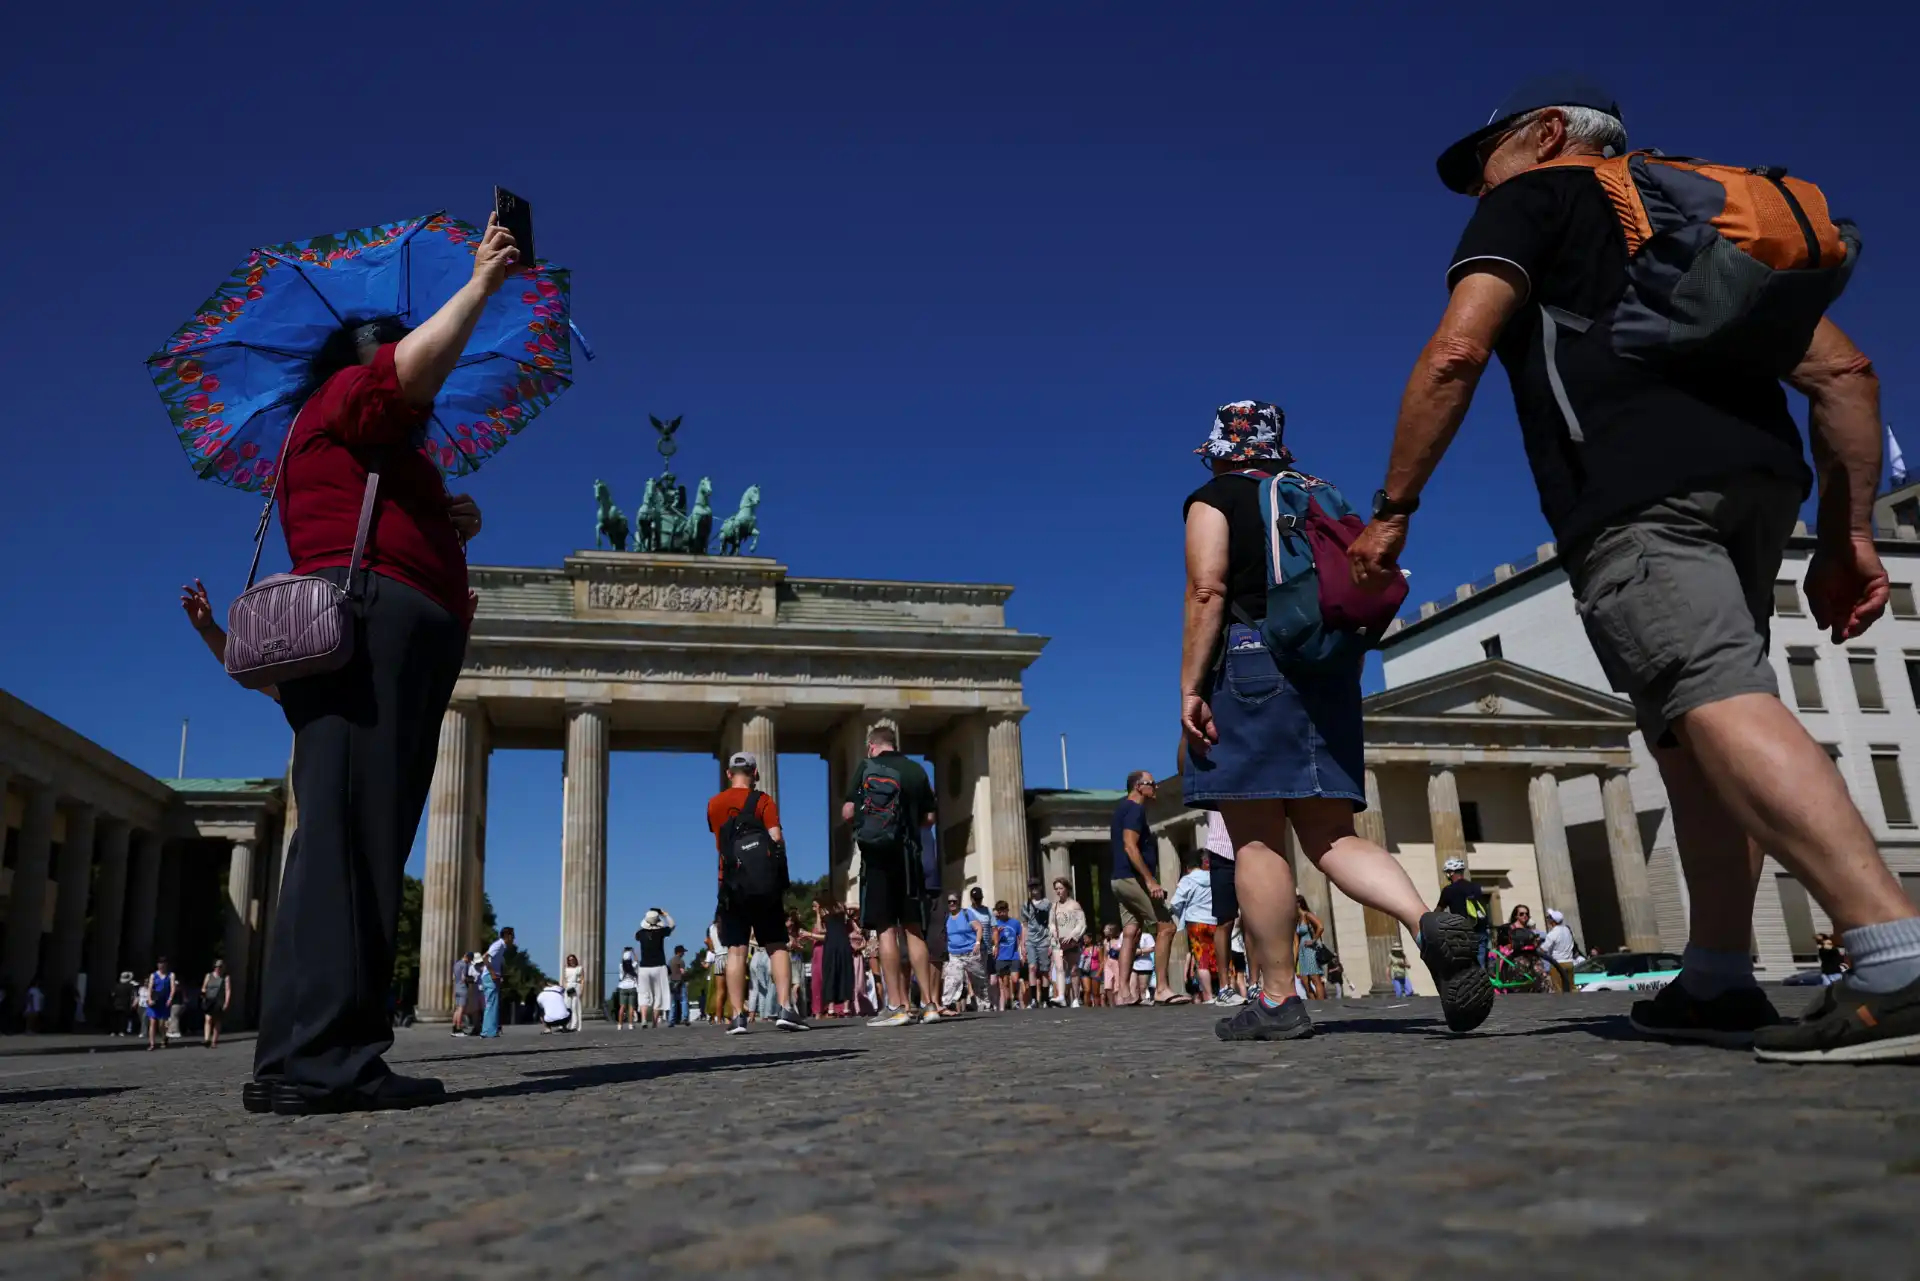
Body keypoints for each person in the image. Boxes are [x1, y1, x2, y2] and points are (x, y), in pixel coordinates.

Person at [1348, 76, 1920, 1062]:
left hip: (1633, 490)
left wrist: (1394, 509)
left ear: (1547, 134)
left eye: (1484, 159)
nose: (1478, 185)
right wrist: (1846, 534)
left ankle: (1894, 955)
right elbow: (1844, 374)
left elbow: (1457, 352)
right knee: (1689, 733)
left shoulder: (1535, 200)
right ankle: (1718, 975)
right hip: (1760, 485)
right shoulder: (1692, 214)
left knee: (1710, 696)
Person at [246, 213, 517, 1115]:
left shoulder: (366, 442)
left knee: (348, 834)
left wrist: (448, 517)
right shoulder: (351, 394)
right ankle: (326, 1057)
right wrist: (479, 286)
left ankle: (301, 1051)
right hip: (367, 629)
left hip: (377, 632)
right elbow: (399, 377)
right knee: (352, 839)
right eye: (396, 356)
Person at [1181, 400, 1492, 1041]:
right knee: (1330, 835)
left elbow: (1207, 589)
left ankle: (1277, 1000)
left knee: (1257, 837)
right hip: (1329, 670)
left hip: (1254, 665)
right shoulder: (1316, 492)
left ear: (1221, 451)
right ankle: (1426, 922)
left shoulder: (1216, 498)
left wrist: (1191, 686)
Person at [841, 725, 941, 1027]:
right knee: (914, 929)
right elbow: (930, 818)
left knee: (885, 929)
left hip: (877, 859)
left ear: (872, 746)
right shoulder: (916, 770)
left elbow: (848, 812)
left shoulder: (866, 767)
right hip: (910, 858)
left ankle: (898, 1006)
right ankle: (930, 1004)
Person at [706, 752, 807, 1034]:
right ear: (755, 773)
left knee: (737, 950)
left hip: (731, 884)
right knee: (776, 945)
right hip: (764, 885)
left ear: (728, 774)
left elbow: (719, 840)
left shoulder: (714, 804)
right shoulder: (763, 801)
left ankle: (738, 1016)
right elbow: (776, 838)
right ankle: (785, 1008)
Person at [1109, 771, 1183, 1005]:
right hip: (1133, 880)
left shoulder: (1121, 809)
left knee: (1131, 931)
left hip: (1119, 880)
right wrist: (1150, 880)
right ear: (1139, 786)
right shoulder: (1135, 809)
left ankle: (1123, 993)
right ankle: (1161, 988)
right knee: (1167, 927)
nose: (1156, 788)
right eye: (1152, 784)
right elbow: (1130, 846)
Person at [1169, 854, 1218, 1003]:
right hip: (1214, 921)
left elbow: (1175, 902)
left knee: (1202, 960)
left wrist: (1182, 913)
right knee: (1216, 958)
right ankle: (1222, 990)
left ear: (1188, 868)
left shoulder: (1187, 880)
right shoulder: (1213, 877)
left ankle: (1208, 995)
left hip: (1195, 922)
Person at [1435, 859, 1493, 967]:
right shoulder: (1476, 887)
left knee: (1464, 965)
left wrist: (1432, 919)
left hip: (1463, 932)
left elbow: (1439, 910)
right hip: (1480, 930)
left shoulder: (1449, 890)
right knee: (1480, 965)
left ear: (1451, 873)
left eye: (1447, 872)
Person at [940, 893, 987, 1015]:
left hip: (970, 952)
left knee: (978, 979)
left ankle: (985, 1004)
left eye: (954, 901)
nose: (952, 904)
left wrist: (977, 943)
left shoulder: (966, 913)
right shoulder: (946, 917)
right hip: (954, 954)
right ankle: (945, 1004)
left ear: (958, 902)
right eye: (949, 902)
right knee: (953, 979)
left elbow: (978, 928)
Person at [810, 901, 856, 1017]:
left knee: (839, 972)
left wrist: (847, 909)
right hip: (837, 942)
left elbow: (820, 929)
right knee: (839, 972)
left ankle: (838, 1008)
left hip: (835, 943)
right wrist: (818, 913)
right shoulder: (831, 911)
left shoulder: (835, 909)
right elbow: (820, 930)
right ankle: (839, 1008)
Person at [1048, 879, 1088, 1008]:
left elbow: (1081, 923)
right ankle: (1061, 995)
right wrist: (1053, 931)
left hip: (1070, 941)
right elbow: (1051, 922)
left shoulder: (1074, 905)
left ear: (1067, 889)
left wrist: (1073, 935)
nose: (1058, 891)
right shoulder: (1054, 906)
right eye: (1056, 889)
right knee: (1059, 968)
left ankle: (1075, 998)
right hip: (1057, 941)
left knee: (1073, 969)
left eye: (1061, 888)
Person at [1018, 881, 1055, 1008]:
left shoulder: (1047, 904)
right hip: (1031, 940)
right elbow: (1024, 925)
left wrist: (1051, 942)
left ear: (1040, 887)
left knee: (1044, 970)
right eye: (1031, 887)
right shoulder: (1026, 905)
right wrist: (1022, 944)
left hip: (1044, 939)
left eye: (1035, 886)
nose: (1033, 889)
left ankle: (1045, 998)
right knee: (1032, 967)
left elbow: (1051, 923)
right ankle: (1034, 999)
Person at [635, 909, 674, 1029]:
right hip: (659, 966)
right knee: (659, 994)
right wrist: (666, 914)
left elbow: (637, 935)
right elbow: (672, 925)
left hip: (644, 967)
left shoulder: (640, 934)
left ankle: (643, 1019)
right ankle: (655, 1022)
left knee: (644, 993)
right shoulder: (661, 932)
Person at [987, 901, 1022, 1010]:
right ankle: (1008, 1001)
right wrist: (997, 933)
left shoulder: (1015, 923)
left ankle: (1016, 997)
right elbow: (991, 941)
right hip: (1001, 956)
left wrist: (1022, 951)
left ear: (1007, 910)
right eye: (1000, 911)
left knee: (1015, 979)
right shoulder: (995, 924)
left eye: (1004, 911)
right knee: (1004, 982)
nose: (1002, 913)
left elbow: (1021, 938)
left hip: (1014, 955)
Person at [480, 927, 512, 1039]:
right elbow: (485, 957)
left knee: (492, 1003)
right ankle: (488, 1031)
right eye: (513, 936)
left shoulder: (501, 946)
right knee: (491, 1003)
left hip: (492, 976)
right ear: (508, 936)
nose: (513, 939)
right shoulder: (498, 945)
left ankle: (489, 1030)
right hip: (490, 977)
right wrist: (493, 973)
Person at [1540, 909, 1579, 993]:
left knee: (1558, 990)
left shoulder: (1553, 933)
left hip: (1557, 964)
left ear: (1552, 921)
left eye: (1549, 917)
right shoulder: (1567, 930)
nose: (1547, 919)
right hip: (1570, 962)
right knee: (1571, 988)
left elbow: (1543, 949)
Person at [144, 959, 174, 1051]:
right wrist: (149, 999)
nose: (161, 966)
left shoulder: (171, 975)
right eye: (159, 964)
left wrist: (170, 998)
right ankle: (152, 1043)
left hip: (164, 1001)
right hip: (155, 1000)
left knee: (162, 1023)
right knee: (152, 1022)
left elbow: (173, 988)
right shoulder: (153, 975)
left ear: (166, 965)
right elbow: (150, 988)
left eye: (163, 964)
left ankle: (164, 1037)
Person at [201, 961, 230, 1048]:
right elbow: (204, 987)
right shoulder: (209, 975)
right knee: (208, 1019)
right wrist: (203, 993)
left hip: (219, 1000)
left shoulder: (225, 977)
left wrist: (226, 1002)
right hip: (209, 999)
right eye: (217, 967)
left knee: (217, 1020)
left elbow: (228, 990)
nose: (218, 969)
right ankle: (207, 1039)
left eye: (220, 967)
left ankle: (214, 1040)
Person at [615, 946, 640, 1030]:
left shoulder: (621, 966)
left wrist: (624, 951)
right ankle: (630, 1024)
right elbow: (637, 960)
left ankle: (620, 1024)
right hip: (632, 987)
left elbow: (621, 960)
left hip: (622, 987)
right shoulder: (633, 965)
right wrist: (633, 952)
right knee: (631, 1007)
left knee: (622, 1007)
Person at [561, 953, 585, 1034]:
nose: (571, 961)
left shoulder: (580, 968)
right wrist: (565, 987)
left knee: (575, 1007)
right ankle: (565, 1024)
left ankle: (574, 1026)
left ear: (575, 959)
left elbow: (582, 979)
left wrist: (582, 989)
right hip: (568, 986)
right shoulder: (566, 969)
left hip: (576, 986)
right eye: (570, 960)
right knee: (567, 1006)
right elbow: (564, 979)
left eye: (572, 959)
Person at [450, 952, 472, 1037]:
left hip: (457, 987)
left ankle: (454, 1028)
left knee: (457, 1009)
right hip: (463, 988)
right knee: (461, 1009)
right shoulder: (464, 965)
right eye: (470, 960)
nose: (470, 962)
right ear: (468, 958)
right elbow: (463, 978)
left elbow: (453, 977)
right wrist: (471, 980)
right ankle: (459, 1028)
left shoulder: (456, 964)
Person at [667, 945, 689, 1026]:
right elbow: (682, 972)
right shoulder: (681, 961)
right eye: (683, 952)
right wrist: (686, 975)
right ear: (679, 952)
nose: (684, 953)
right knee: (683, 1000)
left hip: (671, 982)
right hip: (680, 982)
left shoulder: (670, 961)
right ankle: (684, 1018)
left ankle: (671, 1020)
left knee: (672, 1002)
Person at [110, 971, 137, 1037]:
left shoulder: (116, 986)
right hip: (125, 1004)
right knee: (123, 1018)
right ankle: (121, 1031)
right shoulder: (130, 986)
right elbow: (132, 995)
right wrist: (132, 1003)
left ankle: (113, 1031)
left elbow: (112, 995)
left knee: (115, 1018)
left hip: (116, 1003)